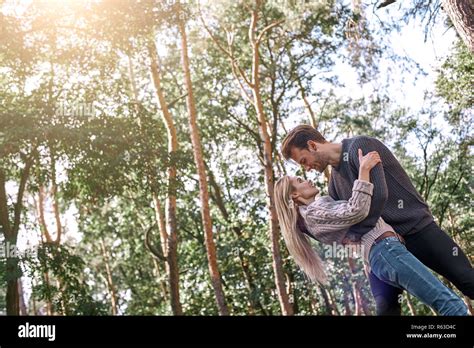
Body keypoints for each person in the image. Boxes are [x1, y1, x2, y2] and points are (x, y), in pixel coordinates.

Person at [280, 125, 473, 315]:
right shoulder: (334, 187)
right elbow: (349, 225)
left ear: (313, 145)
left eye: (304, 160)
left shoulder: (360, 147)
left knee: (467, 280)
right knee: (386, 309)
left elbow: (379, 195)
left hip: (417, 230)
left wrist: (365, 226)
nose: (306, 168)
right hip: (385, 247)